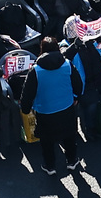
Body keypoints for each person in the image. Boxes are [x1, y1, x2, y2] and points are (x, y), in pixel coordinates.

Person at [18, 35, 83, 175]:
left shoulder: (36, 70)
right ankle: (72, 161)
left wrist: (25, 109)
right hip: (67, 107)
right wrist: (77, 97)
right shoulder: (67, 64)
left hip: (45, 111)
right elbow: (78, 83)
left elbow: (27, 93)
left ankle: (50, 166)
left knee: (47, 141)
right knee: (70, 136)